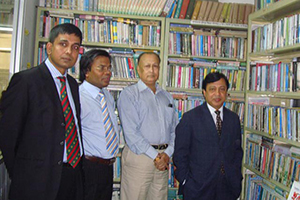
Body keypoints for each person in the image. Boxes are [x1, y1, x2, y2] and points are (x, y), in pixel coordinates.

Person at [0, 23, 84, 200]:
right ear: (49, 47)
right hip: (35, 180)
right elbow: (8, 134)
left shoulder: (73, 85)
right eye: (63, 44)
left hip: (70, 175)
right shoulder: (25, 81)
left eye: (75, 47)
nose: (69, 51)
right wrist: (22, 175)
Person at [117, 52, 178, 200]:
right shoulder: (129, 94)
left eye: (155, 66)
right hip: (140, 158)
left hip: (163, 159)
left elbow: (175, 130)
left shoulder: (166, 96)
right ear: (138, 69)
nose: (151, 70)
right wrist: (156, 157)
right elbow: (131, 134)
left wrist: (167, 153)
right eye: (147, 66)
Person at [173, 72, 243, 200]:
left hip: (228, 188)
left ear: (227, 93)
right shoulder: (190, 118)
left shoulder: (233, 119)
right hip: (198, 189)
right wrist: (185, 181)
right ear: (204, 93)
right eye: (212, 89)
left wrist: (237, 178)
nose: (217, 94)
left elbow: (237, 152)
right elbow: (180, 154)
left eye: (222, 89)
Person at [79, 49, 119, 200]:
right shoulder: (78, 97)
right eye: (101, 68)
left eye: (109, 68)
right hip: (88, 167)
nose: (107, 72)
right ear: (86, 71)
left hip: (107, 167)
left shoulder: (107, 96)